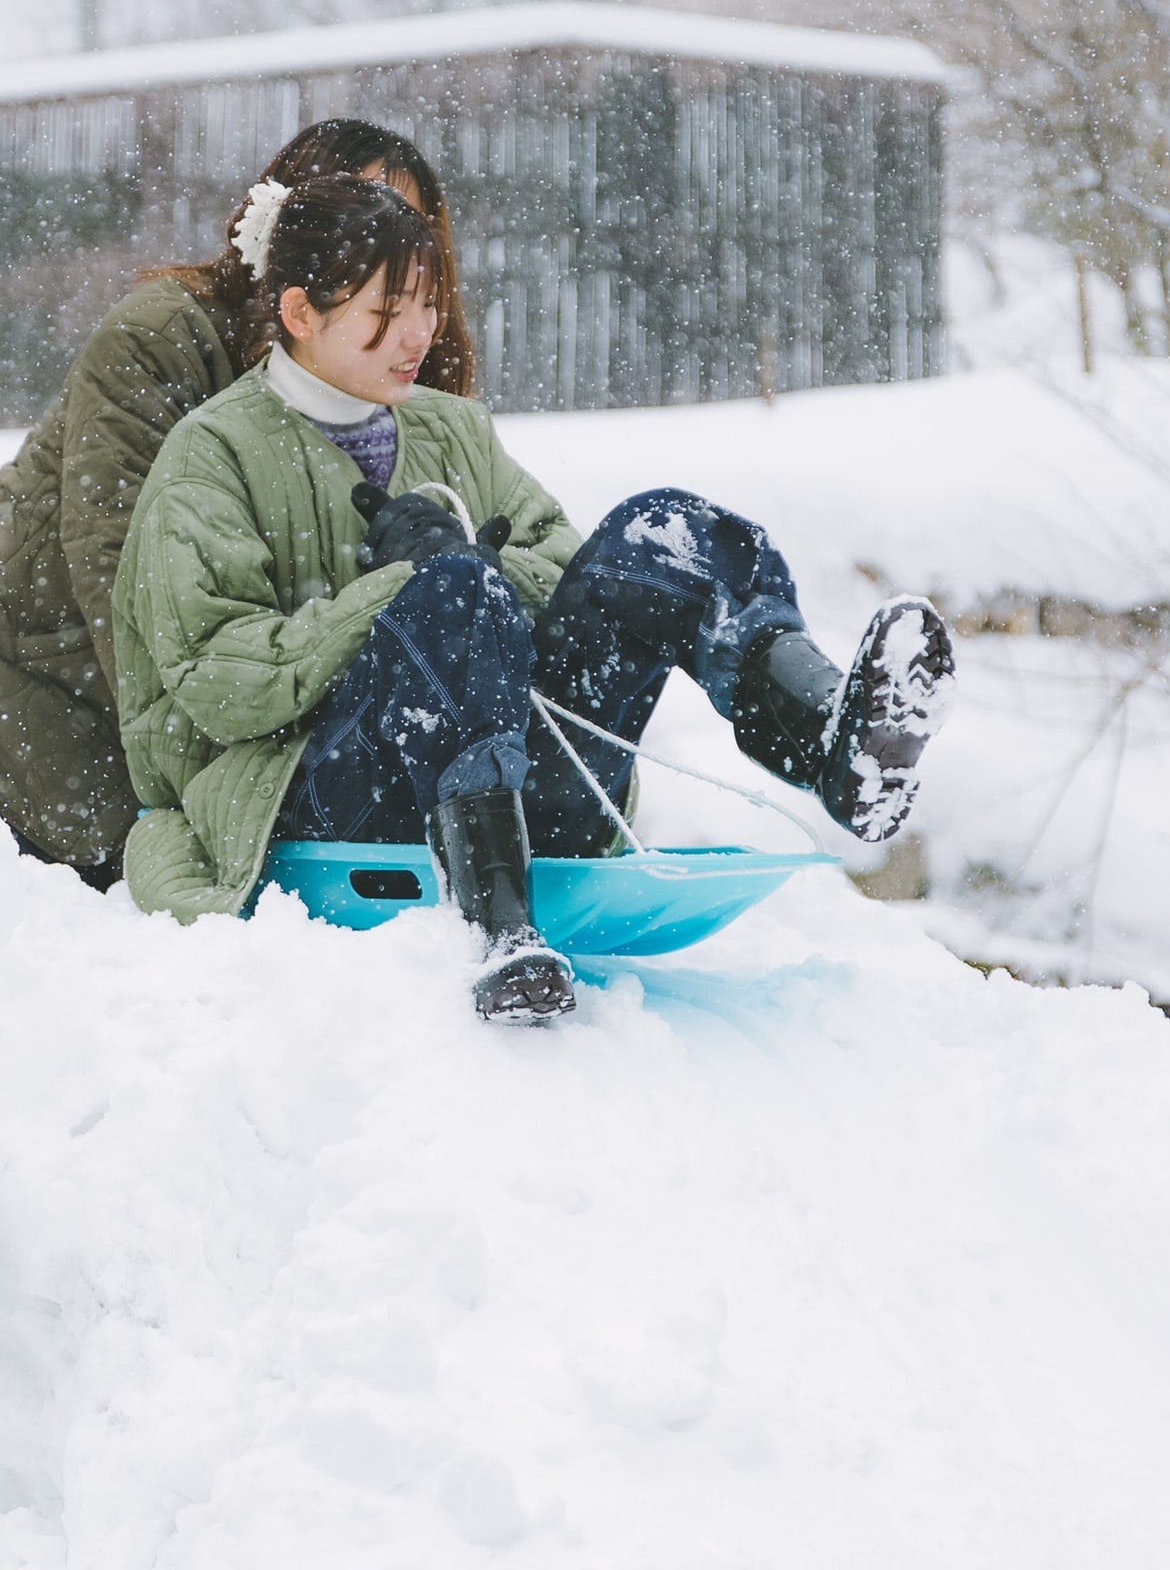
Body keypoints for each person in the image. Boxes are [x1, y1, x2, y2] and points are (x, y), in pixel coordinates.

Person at [115, 177, 957, 1023]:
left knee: (659, 534)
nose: (419, 334)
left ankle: (827, 739)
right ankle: (496, 930)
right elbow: (219, 682)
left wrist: (479, 571)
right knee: (450, 590)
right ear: (300, 313)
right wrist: (402, 590)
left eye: (428, 304)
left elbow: (569, 571)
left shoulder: (452, 430)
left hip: (515, 779)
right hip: (326, 798)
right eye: (386, 312)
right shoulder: (211, 456)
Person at [0, 119, 474, 884]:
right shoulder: (165, 336)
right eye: (360, 206)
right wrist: (220, 773)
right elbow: (115, 557)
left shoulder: (389, 373)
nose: (388, 239)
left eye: (410, 224)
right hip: (35, 688)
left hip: (211, 693)